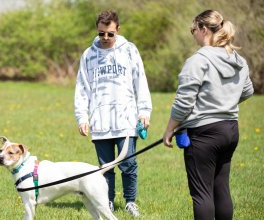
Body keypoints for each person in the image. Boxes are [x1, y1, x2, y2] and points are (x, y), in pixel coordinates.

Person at [162, 9, 254, 220]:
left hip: (204, 135)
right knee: (221, 188)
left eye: (193, 29)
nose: (192, 34)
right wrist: (224, 101)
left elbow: (184, 103)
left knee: (202, 194)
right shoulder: (238, 59)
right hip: (230, 130)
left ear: (203, 29)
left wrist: (169, 130)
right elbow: (248, 90)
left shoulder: (197, 61)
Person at [74, 10, 152, 217]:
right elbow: (82, 87)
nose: (106, 38)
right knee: (105, 167)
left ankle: (130, 202)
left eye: (110, 33)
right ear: (97, 31)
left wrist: (144, 111)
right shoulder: (89, 55)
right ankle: (107, 201)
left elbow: (140, 81)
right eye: (101, 34)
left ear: (118, 30)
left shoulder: (130, 51)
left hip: (126, 118)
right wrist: (82, 116)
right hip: (100, 120)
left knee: (128, 165)